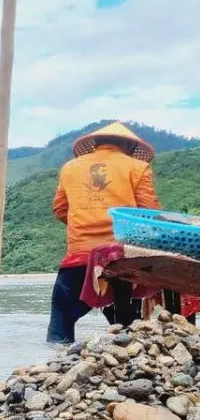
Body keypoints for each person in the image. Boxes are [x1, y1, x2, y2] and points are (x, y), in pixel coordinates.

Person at [47, 122, 161, 344]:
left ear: (95, 144)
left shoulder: (70, 168)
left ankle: (55, 355)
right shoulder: (137, 167)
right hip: (122, 253)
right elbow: (148, 212)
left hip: (80, 253)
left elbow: (60, 209)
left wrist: (85, 221)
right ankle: (130, 351)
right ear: (128, 145)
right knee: (126, 319)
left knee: (61, 318)